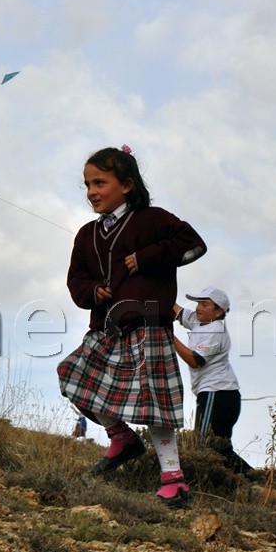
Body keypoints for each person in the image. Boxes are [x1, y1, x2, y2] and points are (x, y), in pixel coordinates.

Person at [57, 146, 206, 507]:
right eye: (87, 184)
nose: (92, 191)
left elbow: (193, 244)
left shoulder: (152, 219)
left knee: (153, 400)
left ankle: (173, 478)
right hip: (107, 327)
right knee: (73, 376)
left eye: (100, 182)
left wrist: (146, 257)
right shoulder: (86, 235)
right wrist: (93, 290)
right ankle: (121, 437)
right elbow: (76, 281)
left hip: (149, 324)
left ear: (126, 185)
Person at [172, 286, 252, 473]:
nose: (198, 307)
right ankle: (250, 479)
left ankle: (247, 479)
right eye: (198, 303)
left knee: (205, 443)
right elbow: (174, 309)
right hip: (220, 394)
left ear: (219, 311)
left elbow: (195, 360)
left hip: (217, 393)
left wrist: (170, 337)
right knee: (218, 447)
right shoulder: (199, 322)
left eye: (205, 304)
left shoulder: (216, 331)